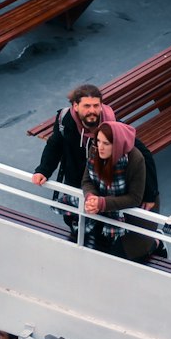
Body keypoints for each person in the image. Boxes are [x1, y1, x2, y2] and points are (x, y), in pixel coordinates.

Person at [31, 85, 160, 237]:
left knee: (105, 228)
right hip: (77, 181)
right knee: (73, 218)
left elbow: (143, 154)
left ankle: (155, 244)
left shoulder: (112, 127)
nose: (92, 111)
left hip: (104, 186)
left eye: (96, 106)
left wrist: (150, 194)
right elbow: (55, 145)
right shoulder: (64, 121)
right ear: (75, 106)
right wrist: (43, 170)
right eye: (87, 106)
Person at [82, 121, 156, 260]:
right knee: (93, 246)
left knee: (130, 254)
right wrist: (91, 196)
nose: (100, 147)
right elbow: (87, 181)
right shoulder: (95, 151)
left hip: (135, 212)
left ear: (116, 144)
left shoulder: (135, 159)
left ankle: (157, 243)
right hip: (105, 206)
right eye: (98, 141)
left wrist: (102, 203)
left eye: (106, 143)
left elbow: (134, 198)